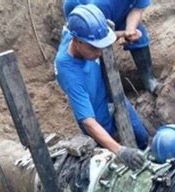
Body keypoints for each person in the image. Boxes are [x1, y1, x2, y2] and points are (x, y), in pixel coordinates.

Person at [55, 4, 149, 171]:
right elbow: (89, 122)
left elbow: (100, 33)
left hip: (111, 94)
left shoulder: (82, 32)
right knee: (112, 156)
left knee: (141, 136)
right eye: (93, 47)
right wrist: (121, 151)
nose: (100, 52)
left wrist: (122, 34)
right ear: (76, 41)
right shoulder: (69, 71)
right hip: (96, 114)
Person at [62, 0, 160, 94]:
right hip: (90, 18)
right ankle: (106, 95)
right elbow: (100, 37)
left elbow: (136, 9)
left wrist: (130, 30)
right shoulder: (102, 4)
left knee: (139, 34)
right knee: (93, 50)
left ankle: (149, 79)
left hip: (111, 11)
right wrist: (122, 34)